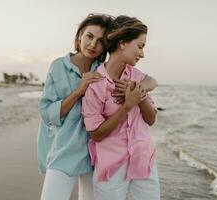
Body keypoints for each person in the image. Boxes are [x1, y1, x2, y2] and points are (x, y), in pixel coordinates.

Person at [37, 13, 158, 200]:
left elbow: (149, 79)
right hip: (66, 149)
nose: (93, 44)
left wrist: (139, 89)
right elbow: (47, 113)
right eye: (89, 36)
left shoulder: (102, 69)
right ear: (79, 37)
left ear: (107, 44)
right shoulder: (59, 67)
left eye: (100, 41)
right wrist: (78, 91)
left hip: (95, 156)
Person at [82, 15, 160, 200]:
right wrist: (127, 106)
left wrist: (138, 94)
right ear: (123, 42)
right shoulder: (96, 83)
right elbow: (96, 134)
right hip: (111, 166)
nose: (142, 54)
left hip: (143, 158)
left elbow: (151, 119)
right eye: (140, 46)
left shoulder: (137, 77)